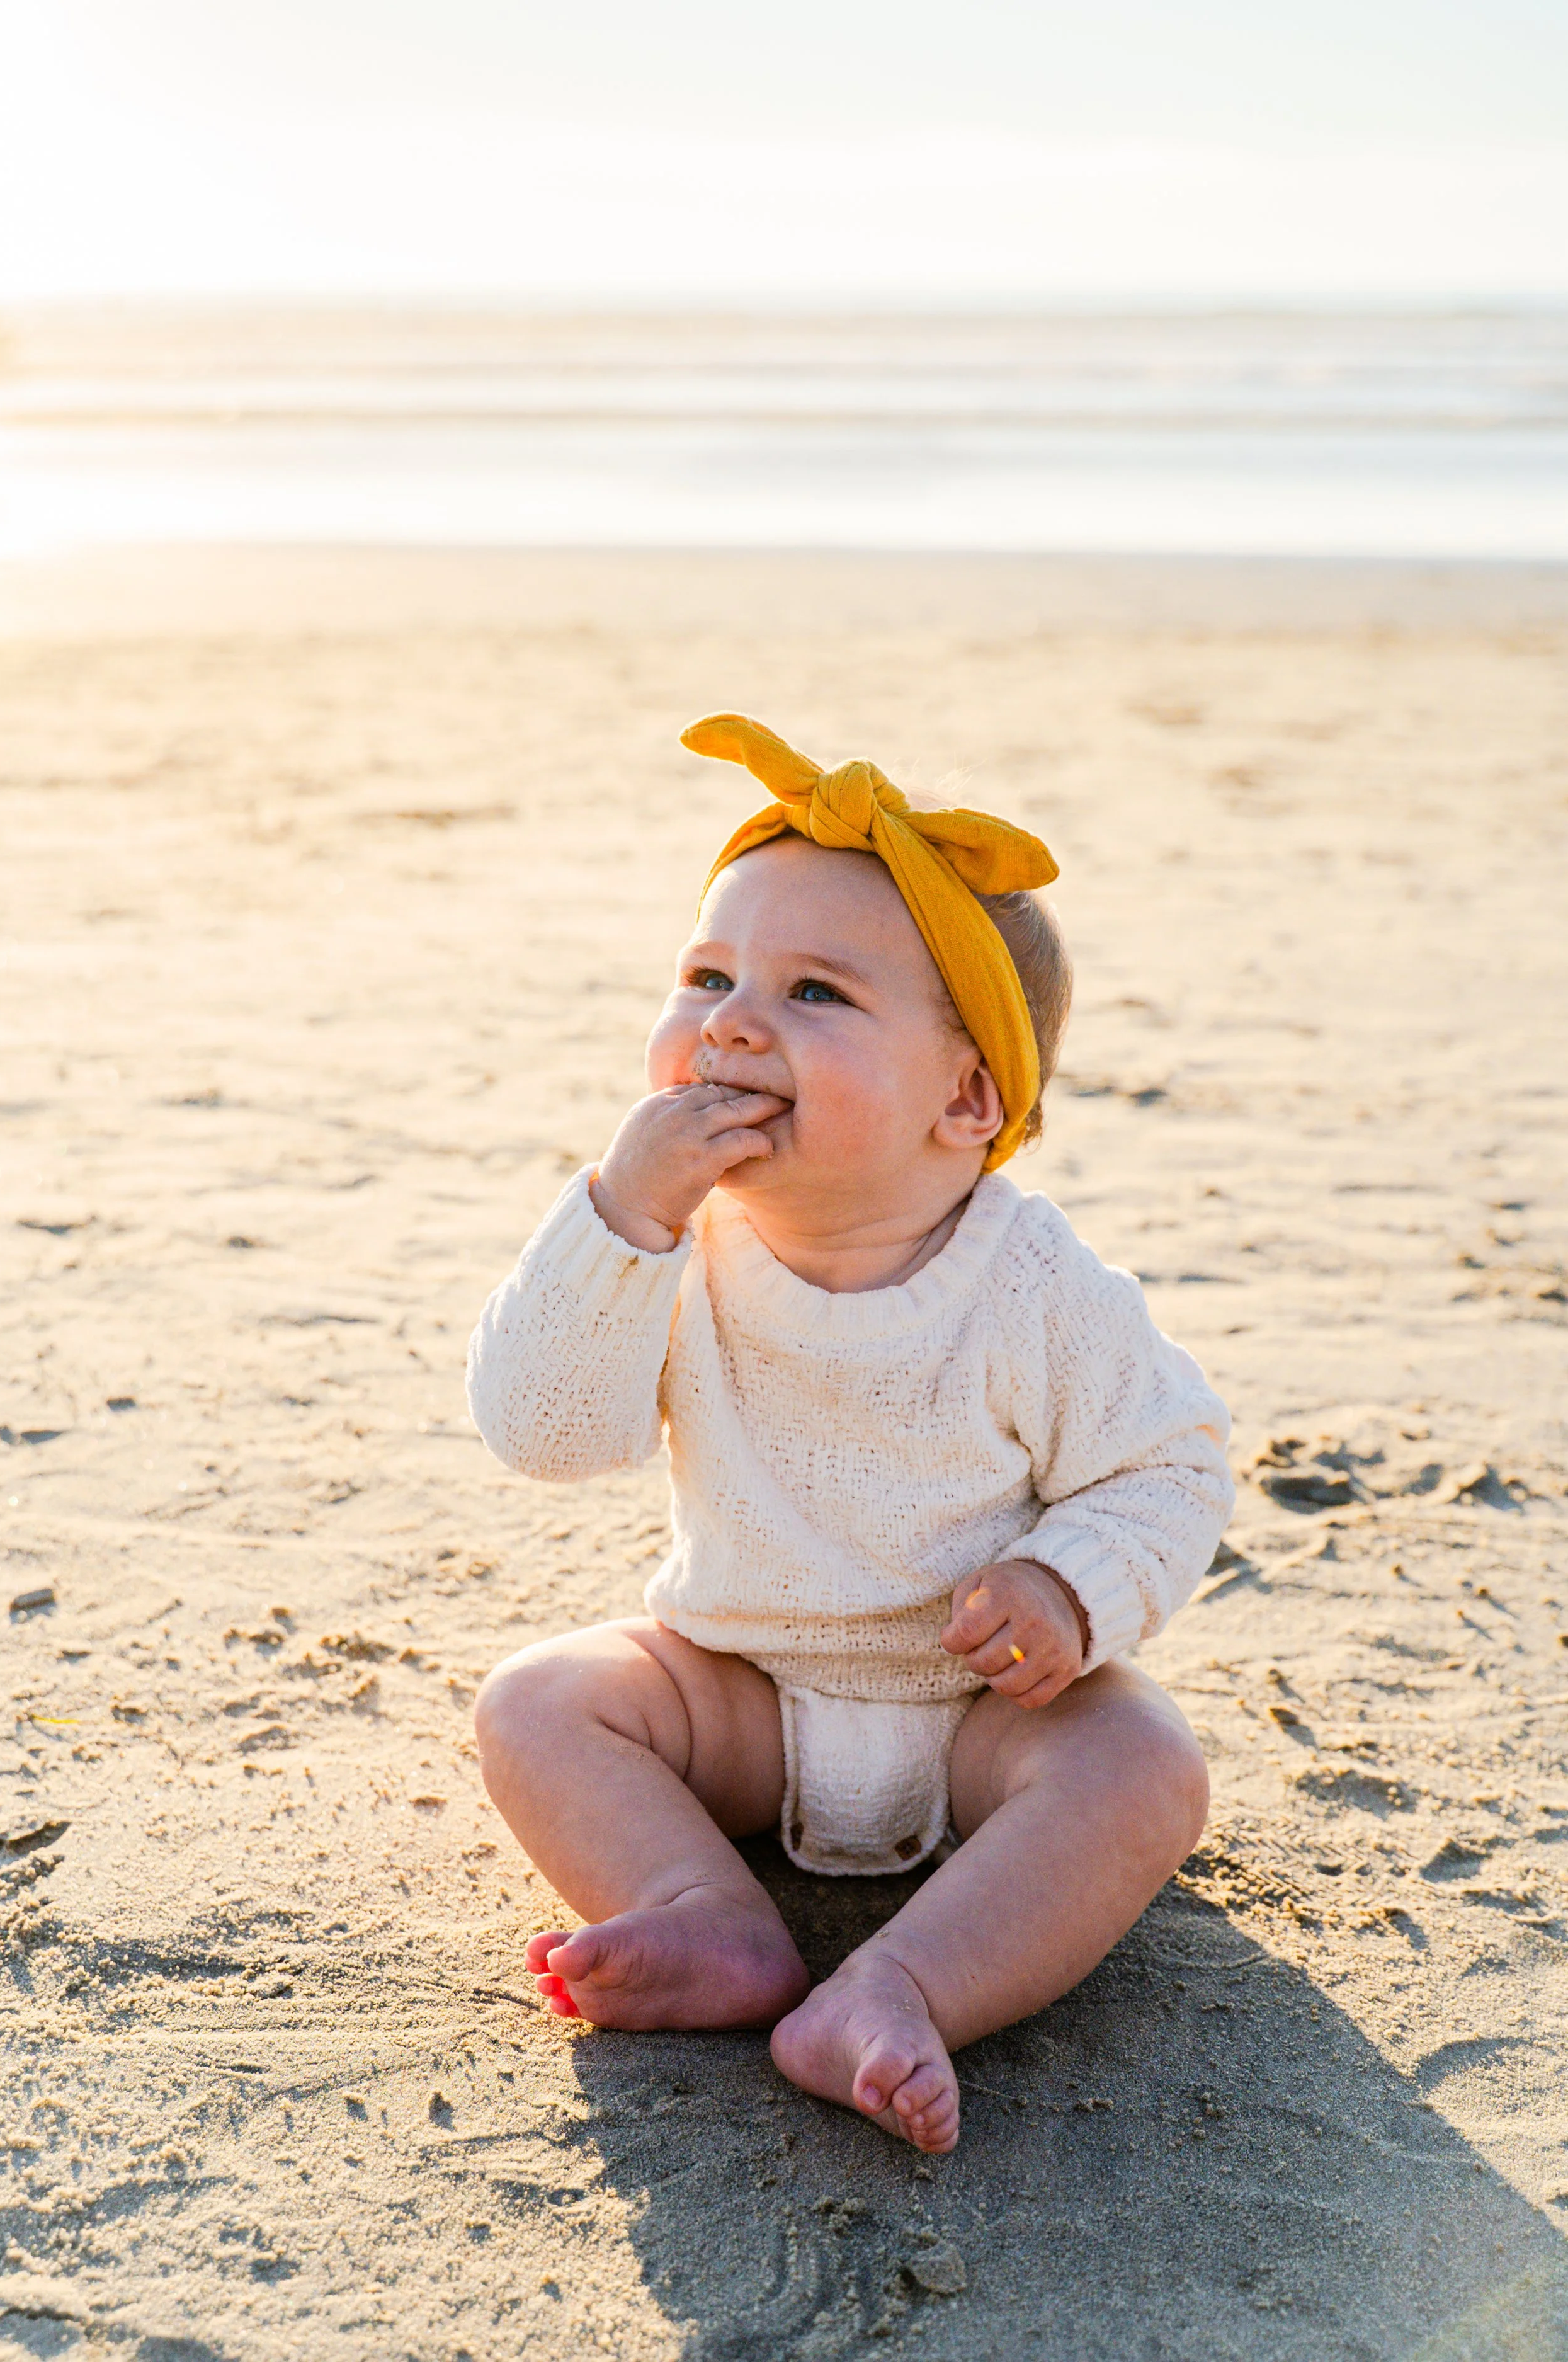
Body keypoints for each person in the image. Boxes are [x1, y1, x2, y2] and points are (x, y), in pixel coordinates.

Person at [467, 714, 1234, 2153]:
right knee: (538, 1704)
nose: (732, 1024)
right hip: (740, 1693)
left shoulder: (1029, 1285)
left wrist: (1070, 1585)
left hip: (987, 1721)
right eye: (707, 978)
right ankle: (710, 1917)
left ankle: (896, 1988)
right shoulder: (672, 1251)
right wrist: (615, 1222)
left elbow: (1171, 1461)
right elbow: (546, 1435)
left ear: (965, 1101)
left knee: (1142, 1767)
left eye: (813, 992)